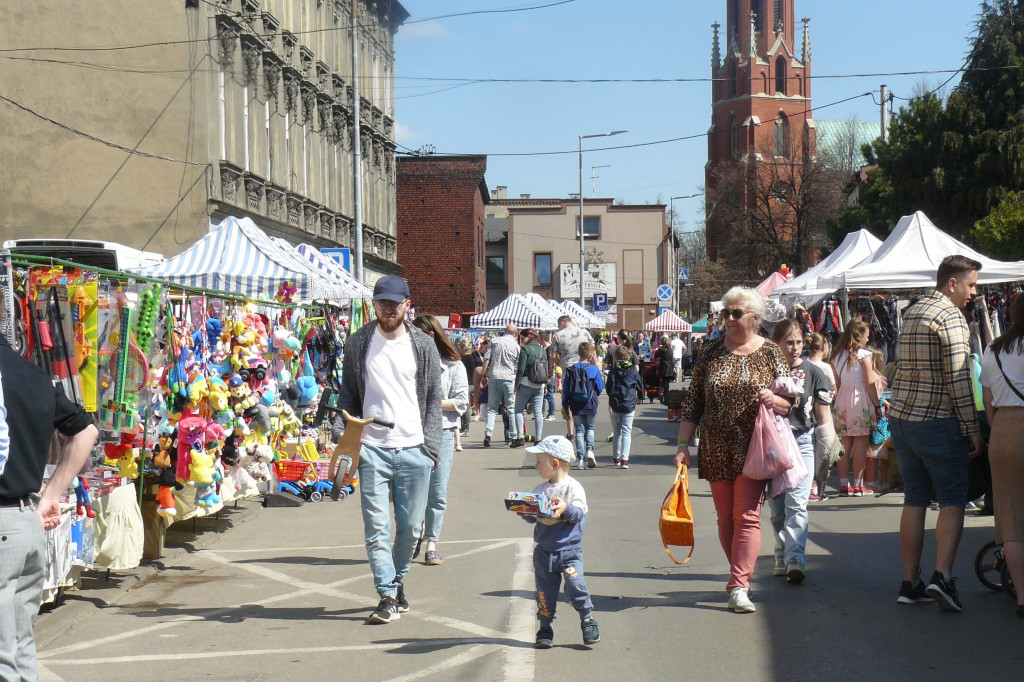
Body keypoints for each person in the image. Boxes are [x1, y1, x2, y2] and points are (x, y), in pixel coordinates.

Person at [330, 274, 442, 624]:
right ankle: (387, 595)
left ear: (408, 304)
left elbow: (435, 399)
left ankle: (397, 580)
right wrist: (342, 433)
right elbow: (348, 395)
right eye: (382, 303)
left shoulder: (423, 344)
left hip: (414, 449)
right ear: (374, 304)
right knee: (376, 527)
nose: (388, 310)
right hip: (372, 449)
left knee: (410, 529)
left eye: (395, 304)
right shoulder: (358, 342)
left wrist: (431, 447)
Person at [675, 287, 791, 614]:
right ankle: (739, 574)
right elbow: (693, 402)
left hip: (755, 446)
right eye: (725, 313)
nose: (728, 318)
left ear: (754, 318)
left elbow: (791, 402)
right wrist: (683, 445)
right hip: (715, 446)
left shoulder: (770, 351)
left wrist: (774, 400)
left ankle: (739, 585)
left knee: (747, 517)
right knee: (726, 520)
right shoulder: (710, 351)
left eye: (736, 313)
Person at [0, 329, 99, 678]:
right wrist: (51, 495)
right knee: (20, 644)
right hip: (25, 519)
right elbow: (87, 430)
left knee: (6, 654)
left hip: (8, 520)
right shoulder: (33, 376)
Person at [889, 255, 983, 612]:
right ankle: (942, 576)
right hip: (936, 418)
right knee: (952, 498)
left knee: (914, 498)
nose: (974, 293)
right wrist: (972, 428)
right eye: (971, 285)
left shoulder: (912, 311)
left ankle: (909, 581)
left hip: (903, 418)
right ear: (953, 283)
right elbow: (959, 378)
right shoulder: (950, 317)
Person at [519, 435, 599, 649]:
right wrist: (525, 511)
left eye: (539, 461)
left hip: (569, 551)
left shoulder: (574, 488)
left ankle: (587, 618)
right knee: (545, 592)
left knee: (575, 584)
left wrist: (566, 508)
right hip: (544, 552)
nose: (536, 465)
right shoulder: (539, 489)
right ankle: (545, 626)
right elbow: (533, 517)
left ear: (554, 464)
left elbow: (580, 514)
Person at [770, 320, 832, 584]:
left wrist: (827, 448)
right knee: (777, 508)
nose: (795, 348)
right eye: (789, 342)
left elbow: (822, 415)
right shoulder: (767, 370)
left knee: (797, 504)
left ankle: (796, 558)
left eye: (798, 342)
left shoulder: (814, 372)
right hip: (773, 445)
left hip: (803, 442)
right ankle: (781, 553)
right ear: (777, 344)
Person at [411, 314, 469, 567]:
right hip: (411, 432)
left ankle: (431, 543)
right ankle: (413, 535)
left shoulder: (454, 365)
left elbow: (461, 402)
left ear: (431, 336)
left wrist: (430, 402)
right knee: (412, 490)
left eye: (418, 335)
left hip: (443, 431)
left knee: (436, 490)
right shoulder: (407, 363)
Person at [980, 292, 1024, 618]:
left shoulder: (992, 350)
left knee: (1010, 517)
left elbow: (989, 405)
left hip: (1006, 428)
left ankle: (1022, 596)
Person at [830, 319, 883, 496]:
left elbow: (836, 383)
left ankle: (844, 484)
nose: (868, 340)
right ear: (859, 336)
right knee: (861, 442)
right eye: (866, 336)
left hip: (842, 400)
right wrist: (877, 405)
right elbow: (869, 382)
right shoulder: (864, 355)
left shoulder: (836, 356)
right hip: (859, 400)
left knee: (844, 442)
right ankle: (859, 485)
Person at [805, 333, 837, 500]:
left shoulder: (805, 363)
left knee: (810, 448)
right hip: (823, 412)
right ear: (824, 347)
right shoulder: (825, 367)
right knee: (823, 449)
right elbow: (834, 389)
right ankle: (817, 487)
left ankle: (811, 487)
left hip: (807, 412)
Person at [562, 341, 604, 470]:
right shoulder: (594, 369)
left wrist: (565, 405)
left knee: (579, 430)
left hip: (575, 403)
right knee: (590, 428)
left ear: (578, 353)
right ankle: (590, 451)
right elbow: (600, 387)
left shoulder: (571, 370)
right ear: (591, 355)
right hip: (590, 403)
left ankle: (580, 458)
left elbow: (566, 390)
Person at [551, 316, 594, 439]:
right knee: (586, 397)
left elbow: (553, 356)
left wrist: (558, 364)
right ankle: (587, 430)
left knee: (567, 402)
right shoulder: (585, 333)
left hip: (568, 371)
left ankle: (570, 433)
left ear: (562, 323)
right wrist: (594, 368)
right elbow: (593, 353)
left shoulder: (558, 335)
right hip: (586, 371)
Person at [480, 324, 522, 448]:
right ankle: (514, 436)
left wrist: (483, 375)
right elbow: (517, 365)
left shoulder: (494, 341)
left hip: (494, 376)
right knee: (511, 408)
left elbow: (486, 358)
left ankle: (488, 434)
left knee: (492, 408)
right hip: (509, 378)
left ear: (504, 331)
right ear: (516, 333)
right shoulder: (516, 346)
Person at [605, 344, 644, 469]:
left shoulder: (613, 371)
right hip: (629, 403)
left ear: (616, 358)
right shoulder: (633, 372)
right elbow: (639, 385)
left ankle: (616, 457)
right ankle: (624, 460)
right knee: (627, 431)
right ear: (628, 358)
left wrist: (611, 397)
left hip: (616, 403)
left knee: (617, 431)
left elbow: (608, 387)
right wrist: (640, 397)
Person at [515, 328, 548, 446]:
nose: (521, 341)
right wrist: (546, 385)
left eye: (522, 338)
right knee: (538, 412)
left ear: (528, 337)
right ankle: (538, 438)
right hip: (540, 384)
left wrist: (516, 384)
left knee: (518, 410)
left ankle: (519, 437)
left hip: (525, 383)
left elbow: (521, 369)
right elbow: (546, 368)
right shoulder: (542, 350)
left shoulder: (525, 349)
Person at [541, 332, 557, 421]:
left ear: (543, 339)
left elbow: (550, 364)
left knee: (549, 395)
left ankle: (551, 413)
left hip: (548, 375)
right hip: (545, 374)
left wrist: (549, 376)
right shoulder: (545, 348)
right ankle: (542, 413)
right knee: (543, 394)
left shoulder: (549, 349)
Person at [654, 336, 674, 403]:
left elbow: (655, 355)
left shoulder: (662, 349)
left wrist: (659, 348)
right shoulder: (670, 349)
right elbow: (672, 360)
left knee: (662, 383)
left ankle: (663, 397)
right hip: (669, 368)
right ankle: (666, 397)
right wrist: (672, 368)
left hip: (663, 368)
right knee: (666, 384)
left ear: (662, 342)